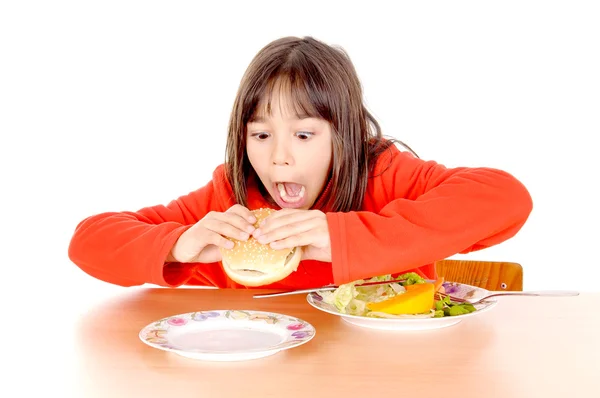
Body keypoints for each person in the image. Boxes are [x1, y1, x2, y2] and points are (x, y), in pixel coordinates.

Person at [68, 36, 533, 290]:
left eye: (304, 134)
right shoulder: (232, 201)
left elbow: (505, 197)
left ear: (342, 136)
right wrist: (179, 245)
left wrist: (344, 236)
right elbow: (89, 240)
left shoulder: (382, 175)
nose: (280, 156)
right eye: (262, 134)